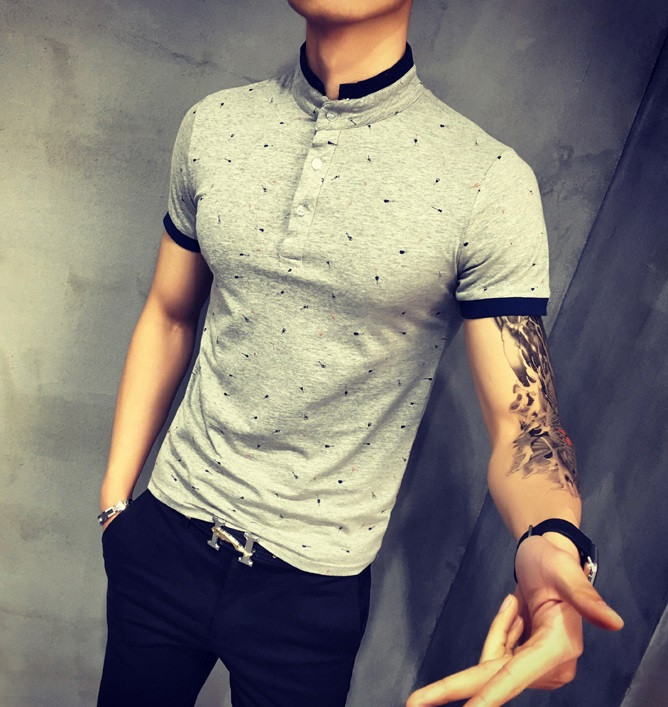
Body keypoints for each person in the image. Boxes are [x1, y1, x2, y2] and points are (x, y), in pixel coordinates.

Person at [96, 1, 625, 706]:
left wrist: (554, 539)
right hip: (164, 540)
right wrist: (116, 505)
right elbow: (168, 315)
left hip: (310, 589)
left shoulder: (487, 181)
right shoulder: (214, 125)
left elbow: (524, 424)